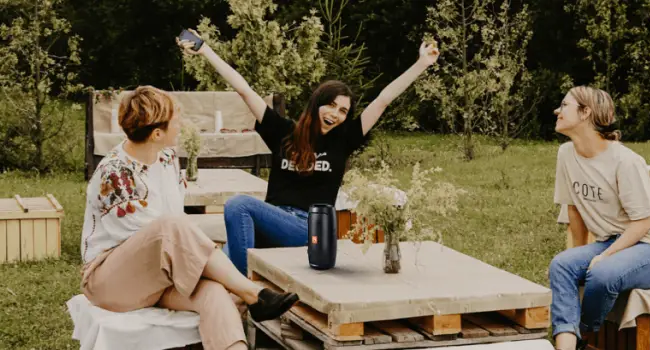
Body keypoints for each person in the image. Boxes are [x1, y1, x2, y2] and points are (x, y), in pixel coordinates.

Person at [176, 30, 440, 275]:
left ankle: (248, 288)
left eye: (343, 111)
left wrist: (421, 64)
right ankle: (242, 300)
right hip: (273, 220)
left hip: (310, 229)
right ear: (317, 103)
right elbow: (244, 90)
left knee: (237, 206)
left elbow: (383, 99)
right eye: (331, 106)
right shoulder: (284, 132)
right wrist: (206, 51)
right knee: (215, 266)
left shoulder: (344, 139)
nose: (335, 114)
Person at [80, 86, 299, 350]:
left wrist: (208, 265)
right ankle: (252, 293)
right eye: (176, 119)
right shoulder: (115, 173)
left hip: (159, 277)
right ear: (157, 133)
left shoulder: (167, 157)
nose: (181, 124)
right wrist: (208, 260)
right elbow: (158, 235)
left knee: (215, 295)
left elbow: (175, 229)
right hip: (111, 282)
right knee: (172, 227)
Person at [549, 86, 650, 350]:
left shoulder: (625, 161)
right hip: (611, 241)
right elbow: (574, 210)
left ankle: (582, 336)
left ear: (586, 113)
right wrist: (579, 257)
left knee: (602, 272)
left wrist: (605, 256)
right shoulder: (566, 154)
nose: (557, 111)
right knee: (561, 265)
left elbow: (643, 222)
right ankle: (564, 346)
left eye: (564, 105)